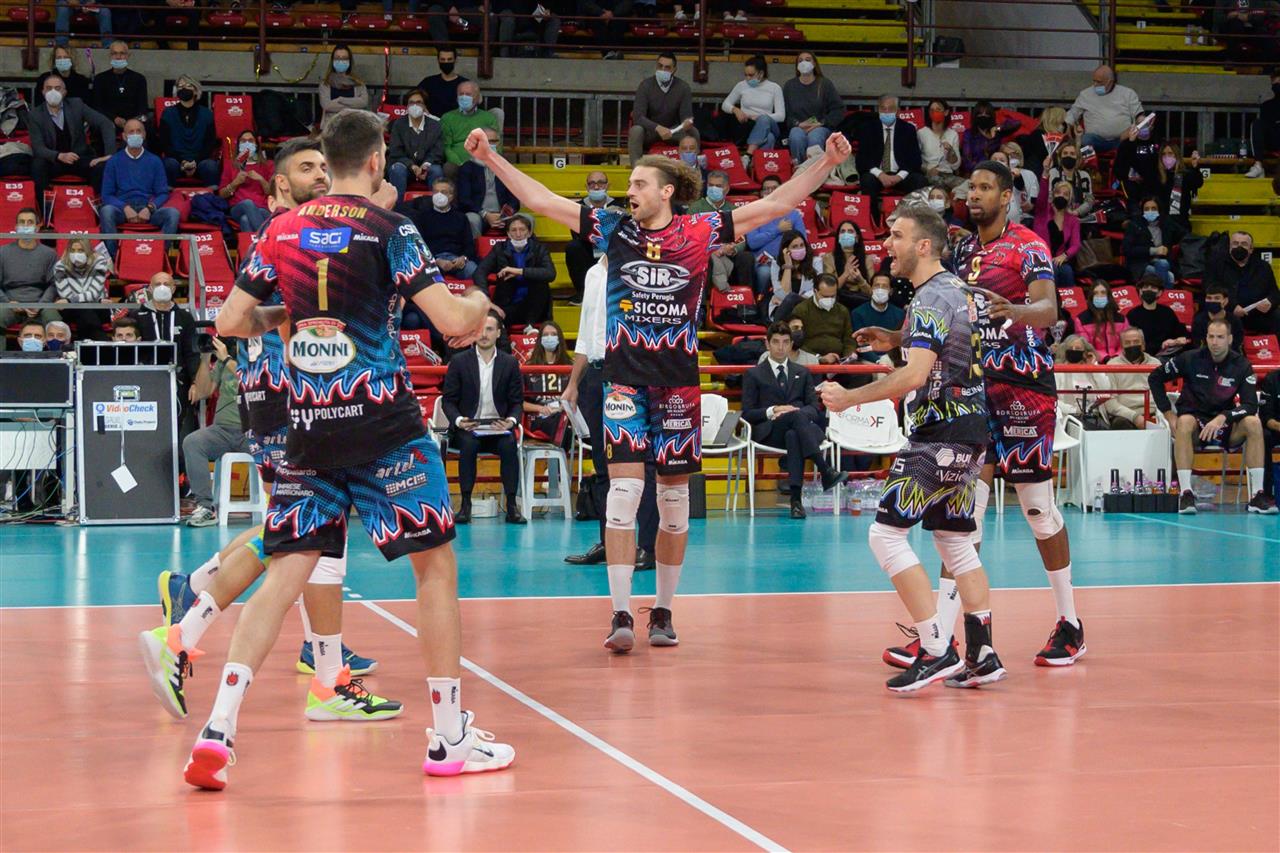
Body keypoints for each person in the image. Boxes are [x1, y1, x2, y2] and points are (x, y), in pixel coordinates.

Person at [196, 109, 509, 790]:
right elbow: (450, 321)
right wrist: (480, 302)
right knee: (434, 569)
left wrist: (294, 316)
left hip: (309, 426)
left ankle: (218, 726)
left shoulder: (280, 229)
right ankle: (450, 736)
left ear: (329, 159)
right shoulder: (390, 228)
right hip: (384, 425)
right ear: (375, 161)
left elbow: (229, 321)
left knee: (287, 569)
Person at [465, 122, 854, 651]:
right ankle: (621, 614)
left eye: (639, 184)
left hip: (677, 388)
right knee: (623, 495)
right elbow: (541, 199)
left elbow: (777, 203)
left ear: (666, 191)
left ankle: (664, 611)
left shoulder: (701, 230)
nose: (629, 190)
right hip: (624, 381)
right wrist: (491, 158)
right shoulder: (614, 229)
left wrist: (825, 163)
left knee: (672, 506)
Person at [138, 136, 384, 729]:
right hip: (287, 398)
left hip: (295, 398)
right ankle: (187, 626)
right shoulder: (287, 233)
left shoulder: (310, 229)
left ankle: (319, 669)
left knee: (309, 532)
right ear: (278, 184)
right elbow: (244, 320)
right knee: (295, 534)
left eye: (325, 166)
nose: (321, 175)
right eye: (307, 168)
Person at [866, 160, 1084, 670]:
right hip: (975, 389)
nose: (975, 195)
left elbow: (1049, 310)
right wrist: (898, 338)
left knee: (1037, 508)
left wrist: (1014, 311)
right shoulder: (961, 250)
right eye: (971, 188)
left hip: (1025, 386)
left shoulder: (1029, 245)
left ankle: (1070, 621)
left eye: (985, 188)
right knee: (963, 517)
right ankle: (946, 638)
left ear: (1007, 196)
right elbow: (945, 316)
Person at [821, 203, 1005, 692]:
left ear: (924, 246)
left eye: (896, 236)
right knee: (955, 541)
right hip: (971, 432)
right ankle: (983, 653)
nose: (887, 245)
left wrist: (848, 399)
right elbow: (943, 345)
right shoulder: (959, 291)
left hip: (939, 432)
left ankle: (937, 648)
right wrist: (897, 336)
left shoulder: (927, 298)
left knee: (885, 536)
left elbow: (915, 375)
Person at [561, 257, 660, 570]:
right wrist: (573, 383)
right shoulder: (592, 273)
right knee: (602, 464)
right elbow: (585, 334)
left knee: (639, 463)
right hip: (594, 372)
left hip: (628, 371)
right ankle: (609, 542)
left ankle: (647, 547)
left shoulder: (640, 270)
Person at [1149, 318, 1276, 514]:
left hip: (1225, 424)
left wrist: (1224, 417)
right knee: (1184, 421)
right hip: (1194, 423)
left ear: (1230, 339)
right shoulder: (1189, 358)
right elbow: (1155, 378)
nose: (1215, 342)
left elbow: (1250, 405)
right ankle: (1186, 494)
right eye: (1211, 337)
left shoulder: (1242, 365)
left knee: (1253, 422)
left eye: (1220, 337)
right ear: (1206, 338)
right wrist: (1168, 413)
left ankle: (1257, 496)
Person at [742, 321, 846, 518]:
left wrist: (794, 413)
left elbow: (814, 408)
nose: (781, 347)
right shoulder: (753, 374)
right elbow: (747, 413)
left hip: (800, 430)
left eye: (785, 342)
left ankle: (796, 502)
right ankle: (825, 470)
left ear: (791, 344)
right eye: (776, 342)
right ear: (767, 344)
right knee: (794, 421)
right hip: (770, 432)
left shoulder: (802, 372)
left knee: (793, 433)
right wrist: (774, 410)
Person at [442, 313, 527, 524]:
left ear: (498, 333)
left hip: (498, 426)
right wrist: (459, 420)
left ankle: (511, 506)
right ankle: (465, 505)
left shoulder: (510, 363)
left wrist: (511, 421)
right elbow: (448, 401)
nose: (484, 334)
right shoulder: (459, 361)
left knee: (509, 444)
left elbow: (517, 402)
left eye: (489, 329)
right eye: (480, 330)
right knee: (469, 444)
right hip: (468, 427)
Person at [181, 336, 253, 527]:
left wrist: (227, 360)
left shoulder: (262, 358)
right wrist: (205, 358)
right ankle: (205, 507)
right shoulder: (224, 360)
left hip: (254, 432)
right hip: (222, 430)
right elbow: (203, 392)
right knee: (193, 442)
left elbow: (249, 380)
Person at [135, 272, 201, 441]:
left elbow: (192, 352)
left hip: (178, 381)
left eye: (166, 284)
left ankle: (173, 456)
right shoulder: (138, 317)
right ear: (150, 289)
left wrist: (196, 382)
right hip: (146, 381)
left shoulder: (185, 317)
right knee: (146, 426)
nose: (162, 287)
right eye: (157, 284)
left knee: (175, 425)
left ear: (173, 288)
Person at [99, 120, 180, 256]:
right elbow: (106, 195)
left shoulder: (155, 161)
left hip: (147, 208)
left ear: (144, 135)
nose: (135, 134)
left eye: (138, 131)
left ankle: (160, 256)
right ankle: (113, 259)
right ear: (124, 136)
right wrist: (125, 207)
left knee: (173, 214)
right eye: (131, 132)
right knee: (106, 211)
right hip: (122, 209)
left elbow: (163, 193)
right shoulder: (114, 161)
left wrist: (149, 208)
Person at [26, 74, 115, 198]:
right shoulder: (35, 115)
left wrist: (109, 155)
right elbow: (38, 148)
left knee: (102, 167)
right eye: (49, 88)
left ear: (64, 92)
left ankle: (94, 204)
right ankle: (45, 206)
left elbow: (105, 124)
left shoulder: (77, 105)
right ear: (43, 92)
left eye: (57, 88)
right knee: (37, 165)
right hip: (54, 161)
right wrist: (59, 155)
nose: (53, 92)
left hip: (80, 158)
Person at [855, 95, 927, 222]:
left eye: (891, 108)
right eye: (883, 108)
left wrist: (899, 176)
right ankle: (873, 222)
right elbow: (862, 160)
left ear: (898, 111)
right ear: (878, 110)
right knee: (867, 180)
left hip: (901, 174)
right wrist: (880, 174)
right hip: (878, 174)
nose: (887, 112)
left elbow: (915, 160)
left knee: (919, 180)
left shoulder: (908, 129)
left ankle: (914, 221)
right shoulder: (867, 128)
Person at [476, 214, 555, 328]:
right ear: (508, 234)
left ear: (529, 233)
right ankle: (503, 329)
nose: (518, 234)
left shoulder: (539, 248)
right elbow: (480, 272)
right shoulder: (499, 248)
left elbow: (550, 274)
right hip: (507, 304)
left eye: (522, 229)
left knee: (540, 283)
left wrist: (520, 271)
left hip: (534, 307)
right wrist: (486, 298)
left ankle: (530, 326)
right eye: (514, 230)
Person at [400, 177, 477, 290]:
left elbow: (469, 245)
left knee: (473, 270)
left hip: (456, 259)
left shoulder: (461, 218)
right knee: (422, 275)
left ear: (451, 196)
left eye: (443, 192)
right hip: (432, 260)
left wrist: (463, 258)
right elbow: (418, 245)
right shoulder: (422, 217)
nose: (438, 195)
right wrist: (436, 260)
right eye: (436, 192)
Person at [0, 208, 60, 346]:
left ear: (37, 227)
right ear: (15, 227)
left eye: (30, 222)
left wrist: (41, 304)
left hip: (40, 303)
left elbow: (54, 284)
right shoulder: (2, 252)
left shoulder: (49, 254)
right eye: (22, 222)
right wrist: (7, 302)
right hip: (10, 303)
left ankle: (55, 358)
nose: (25, 226)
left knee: (55, 321)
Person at [565, 171, 624, 304]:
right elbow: (576, 233)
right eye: (592, 183)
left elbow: (618, 232)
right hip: (587, 249)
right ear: (586, 186)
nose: (596, 187)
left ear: (607, 185)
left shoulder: (618, 206)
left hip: (611, 249)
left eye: (601, 183)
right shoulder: (578, 207)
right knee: (573, 247)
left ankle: (615, 293)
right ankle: (583, 293)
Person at [628, 53, 697, 165]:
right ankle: (636, 170)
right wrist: (657, 128)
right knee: (636, 130)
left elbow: (687, 118)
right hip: (650, 131)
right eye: (660, 66)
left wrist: (680, 126)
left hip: (673, 131)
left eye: (667, 67)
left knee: (693, 132)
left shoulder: (683, 87)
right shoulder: (645, 85)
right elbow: (638, 117)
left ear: (674, 70)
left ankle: (692, 169)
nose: (663, 70)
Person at [1206, 231, 1279, 335]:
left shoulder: (1263, 267)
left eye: (1244, 244)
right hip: (1226, 312)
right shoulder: (1216, 264)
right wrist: (1232, 306)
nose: (1239, 247)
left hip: (1257, 314)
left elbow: (1275, 293)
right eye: (1235, 243)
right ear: (1229, 247)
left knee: (1277, 316)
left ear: (1251, 249)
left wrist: (1270, 302)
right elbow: (1208, 289)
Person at [743, 174, 806, 295]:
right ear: (761, 193)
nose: (770, 192)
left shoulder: (793, 214)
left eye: (774, 188)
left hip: (789, 261)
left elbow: (803, 241)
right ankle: (761, 302)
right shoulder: (754, 215)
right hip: (763, 263)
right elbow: (753, 243)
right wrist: (778, 230)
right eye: (766, 189)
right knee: (765, 273)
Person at [714, 55, 785, 160]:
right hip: (748, 126)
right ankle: (757, 164)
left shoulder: (775, 88)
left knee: (764, 119)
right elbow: (725, 104)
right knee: (769, 138)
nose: (747, 78)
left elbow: (781, 116)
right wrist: (736, 110)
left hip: (770, 124)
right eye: (746, 75)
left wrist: (759, 117)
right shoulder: (741, 85)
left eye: (751, 75)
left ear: (761, 73)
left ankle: (748, 155)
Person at [781, 52, 844, 165]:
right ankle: (799, 167)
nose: (804, 63)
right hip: (798, 126)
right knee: (795, 136)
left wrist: (821, 123)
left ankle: (815, 169)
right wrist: (797, 124)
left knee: (815, 137)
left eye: (808, 59)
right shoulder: (790, 86)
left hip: (821, 126)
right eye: (800, 60)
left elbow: (838, 110)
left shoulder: (825, 84)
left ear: (814, 64)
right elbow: (785, 112)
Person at [1065, 64, 1143, 154]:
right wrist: (1067, 125)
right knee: (1086, 140)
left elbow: (1138, 114)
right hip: (1095, 140)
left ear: (1110, 82)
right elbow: (1073, 113)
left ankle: (1125, 163)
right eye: (1094, 81)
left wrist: (1141, 121)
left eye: (1099, 82)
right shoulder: (1085, 94)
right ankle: (1089, 162)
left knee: (1133, 141)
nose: (1095, 85)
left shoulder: (1128, 93)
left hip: (1122, 139)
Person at [456, 127, 519, 237]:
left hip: (502, 215)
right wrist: (485, 214)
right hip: (478, 214)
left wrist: (504, 215)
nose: (490, 145)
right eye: (487, 141)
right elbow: (464, 200)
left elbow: (515, 199)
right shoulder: (468, 167)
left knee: (528, 219)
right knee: (471, 219)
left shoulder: (506, 166)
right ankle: (475, 248)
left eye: (494, 141)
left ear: (499, 143)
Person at [158, 76, 220, 189]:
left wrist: (195, 162)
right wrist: (182, 162)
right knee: (168, 165)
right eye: (180, 86)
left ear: (196, 90)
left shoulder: (207, 114)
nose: (184, 88)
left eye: (188, 86)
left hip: (200, 161)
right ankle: (167, 196)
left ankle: (211, 197)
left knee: (211, 166)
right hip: (175, 161)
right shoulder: (168, 113)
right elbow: (164, 143)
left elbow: (210, 143)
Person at [387, 89, 445, 203]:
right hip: (405, 166)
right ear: (407, 106)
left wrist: (426, 165)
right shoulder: (398, 124)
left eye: (419, 102)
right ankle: (397, 208)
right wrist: (412, 166)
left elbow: (437, 151)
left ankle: (435, 206)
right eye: (411, 102)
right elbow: (396, 151)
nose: (415, 105)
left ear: (424, 106)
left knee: (437, 171)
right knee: (397, 169)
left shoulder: (435, 125)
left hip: (427, 166)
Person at [1101, 327, 1163, 429]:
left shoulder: (1155, 363)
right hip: (1125, 416)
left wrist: (1159, 415)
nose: (1132, 345)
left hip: (1154, 413)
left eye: (1136, 342)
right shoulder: (1112, 365)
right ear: (1122, 346)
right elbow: (1110, 402)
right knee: (1120, 423)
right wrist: (1134, 417)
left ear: (1143, 345)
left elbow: (1162, 395)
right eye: (1127, 343)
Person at [52, 236, 111, 341]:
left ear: (88, 251)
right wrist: (72, 300)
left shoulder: (99, 262)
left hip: (98, 307)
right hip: (72, 309)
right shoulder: (60, 267)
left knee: (84, 312)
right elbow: (65, 295)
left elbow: (94, 293)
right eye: (73, 250)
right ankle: (103, 343)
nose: (76, 254)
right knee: (83, 310)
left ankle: (84, 343)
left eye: (80, 250)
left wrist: (71, 300)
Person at [791, 272, 855, 364]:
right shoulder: (801, 310)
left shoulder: (842, 310)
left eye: (833, 296)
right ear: (815, 291)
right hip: (810, 360)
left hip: (839, 360)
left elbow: (849, 339)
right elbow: (797, 342)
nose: (829, 299)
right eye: (825, 296)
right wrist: (818, 358)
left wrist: (848, 356)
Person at [1032, 167, 1080, 288]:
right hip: (1040, 258)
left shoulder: (1073, 220)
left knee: (1067, 271)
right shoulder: (1043, 211)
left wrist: (1064, 255)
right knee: (1052, 268)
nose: (1061, 196)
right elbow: (1042, 194)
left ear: (1069, 199)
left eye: (1065, 194)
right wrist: (1045, 173)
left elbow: (1076, 244)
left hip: (1058, 260)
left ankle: (1070, 299)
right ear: (1053, 195)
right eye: (1058, 192)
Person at [1121, 196, 1184, 287]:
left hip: (1163, 262)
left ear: (1159, 210)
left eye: (1153, 208)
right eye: (1146, 209)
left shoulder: (1167, 223)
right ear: (1142, 211)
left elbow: (1183, 235)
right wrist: (1153, 250)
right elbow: (1127, 250)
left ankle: (1160, 293)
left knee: (1163, 264)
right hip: (1140, 264)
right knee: (1169, 275)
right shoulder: (1134, 225)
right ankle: (1162, 292)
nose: (1150, 211)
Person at [218, 130, 273, 234]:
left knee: (245, 220)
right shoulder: (230, 165)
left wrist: (261, 179)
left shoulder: (268, 165)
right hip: (237, 207)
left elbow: (272, 193)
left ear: (256, 144)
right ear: (238, 145)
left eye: (250, 141)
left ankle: (254, 244)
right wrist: (235, 183)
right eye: (243, 141)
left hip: (263, 207)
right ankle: (266, 238)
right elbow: (222, 195)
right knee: (248, 203)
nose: (247, 144)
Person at [441, 81, 500, 177]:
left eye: (468, 94)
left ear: (477, 97)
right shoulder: (447, 118)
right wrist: (460, 163)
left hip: (482, 161)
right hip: (457, 163)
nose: (464, 97)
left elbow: (496, 143)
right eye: (461, 94)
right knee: (448, 168)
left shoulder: (489, 118)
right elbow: (446, 147)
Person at [1126, 274, 1189, 355]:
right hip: (1143, 355)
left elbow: (1182, 334)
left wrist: (1176, 340)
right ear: (1140, 291)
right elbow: (1131, 342)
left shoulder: (1168, 312)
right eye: (1145, 287)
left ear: (1160, 292)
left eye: (1153, 288)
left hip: (1167, 354)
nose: (1149, 290)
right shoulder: (1132, 314)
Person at [93, 42, 148, 132]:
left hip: (134, 121)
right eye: (114, 53)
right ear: (110, 56)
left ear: (128, 55)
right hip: (108, 121)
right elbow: (97, 106)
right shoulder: (100, 79)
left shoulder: (139, 78)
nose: (118, 57)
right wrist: (114, 118)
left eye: (122, 53)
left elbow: (142, 107)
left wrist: (132, 122)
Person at [767, 230, 822, 320]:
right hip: (783, 310)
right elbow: (782, 295)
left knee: (792, 298)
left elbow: (818, 290)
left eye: (802, 245)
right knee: (790, 299)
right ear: (786, 250)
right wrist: (788, 265)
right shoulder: (776, 265)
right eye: (794, 247)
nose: (799, 249)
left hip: (807, 306)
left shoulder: (816, 262)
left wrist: (796, 300)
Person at [1054, 335, 1112, 419]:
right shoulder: (1058, 371)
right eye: (1070, 348)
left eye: (1078, 349)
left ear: (1085, 352)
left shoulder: (1092, 368)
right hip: (1069, 416)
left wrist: (1093, 366)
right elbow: (1053, 400)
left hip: (1094, 416)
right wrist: (1075, 411)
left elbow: (1106, 388)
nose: (1074, 351)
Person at [849, 272, 903, 361]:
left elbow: (899, 342)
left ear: (891, 291)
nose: (880, 290)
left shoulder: (900, 314)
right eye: (877, 286)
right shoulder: (858, 313)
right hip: (869, 360)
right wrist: (878, 361)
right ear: (871, 288)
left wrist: (890, 360)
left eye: (884, 286)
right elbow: (861, 344)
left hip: (893, 359)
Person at [960, 100, 1022, 176]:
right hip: (976, 173)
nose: (983, 116)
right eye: (980, 114)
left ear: (991, 116)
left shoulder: (997, 133)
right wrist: (984, 169)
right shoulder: (969, 134)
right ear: (975, 116)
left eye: (987, 114)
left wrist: (998, 128)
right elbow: (967, 161)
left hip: (996, 172)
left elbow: (1017, 123)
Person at [318, 46, 370, 131]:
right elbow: (327, 105)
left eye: (344, 58)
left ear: (349, 61)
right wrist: (353, 106)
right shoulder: (325, 84)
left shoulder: (358, 84)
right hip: (331, 128)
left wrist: (340, 100)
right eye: (337, 58)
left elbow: (363, 102)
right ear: (332, 61)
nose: (341, 61)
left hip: (354, 128)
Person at [1151, 142, 1202, 226]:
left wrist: (1195, 167)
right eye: (1163, 154)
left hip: (1181, 223)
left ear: (1176, 155)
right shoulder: (1157, 176)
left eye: (1170, 153)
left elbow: (1198, 183)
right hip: (1160, 223)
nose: (1167, 157)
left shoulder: (1184, 175)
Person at [918, 97, 963, 189]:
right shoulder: (921, 133)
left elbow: (955, 166)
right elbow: (916, 160)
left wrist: (951, 152)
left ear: (946, 112)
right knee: (939, 184)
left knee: (968, 185)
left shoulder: (953, 134)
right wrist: (927, 169)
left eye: (938, 110)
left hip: (948, 175)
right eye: (932, 110)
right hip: (930, 175)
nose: (935, 113)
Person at [1077, 281, 1128, 361]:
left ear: (1108, 296)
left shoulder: (1121, 319)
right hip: (1094, 361)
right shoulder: (1082, 319)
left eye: (1103, 292)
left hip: (1119, 361)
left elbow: (1125, 343)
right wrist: (1105, 358)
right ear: (1091, 296)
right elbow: (1086, 346)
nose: (1099, 296)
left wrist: (1116, 358)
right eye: (1096, 293)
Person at [1017, 106, 1071, 179]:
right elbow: (1048, 159)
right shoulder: (1038, 135)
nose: (1066, 124)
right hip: (1037, 177)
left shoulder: (1054, 137)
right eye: (1063, 121)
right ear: (1056, 121)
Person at [416, 46, 468, 119]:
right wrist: (421, 106)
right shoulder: (428, 82)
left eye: (449, 59)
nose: (446, 62)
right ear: (438, 60)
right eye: (443, 59)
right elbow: (412, 97)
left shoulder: (466, 84)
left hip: (457, 123)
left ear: (455, 60)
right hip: (432, 123)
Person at [1246, 67, 1279, 179]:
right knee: (1257, 124)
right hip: (1275, 140)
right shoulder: (1267, 105)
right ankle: (1258, 165)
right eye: (1276, 84)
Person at [1191, 283, 1246, 349]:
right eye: (1209, 298)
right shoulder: (1198, 320)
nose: (1212, 301)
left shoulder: (1235, 321)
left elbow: (1237, 344)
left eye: (1217, 298)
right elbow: (1199, 345)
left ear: (1225, 301)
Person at [1048, 141, 1094, 218]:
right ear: (1060, 157)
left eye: (1072, 154)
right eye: (1065, 153)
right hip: (1056, 215)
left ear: (1077, 158)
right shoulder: (1053, 173)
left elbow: (1089, 201)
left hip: (1079, 217)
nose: (1068, 156)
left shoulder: (1084, 176)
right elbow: (1049, 198)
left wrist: (1076, 212)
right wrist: (1064, 212)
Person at [832, 221, 871, 309]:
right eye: (842, 231)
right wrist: (846, 274)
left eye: (850, 231)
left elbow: (872, 293)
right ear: (838, 237)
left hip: (862, 303)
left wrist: (861, 280)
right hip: (838, 303)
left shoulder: (867, 259)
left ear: (857, 238)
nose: (846, 234)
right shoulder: (829, 258)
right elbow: (829, 289)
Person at [1260, 366, 1280, 497]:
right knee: (1263, 436)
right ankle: (1266, 492)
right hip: (1275, 428)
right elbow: (1265, 417)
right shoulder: (1272, 379)